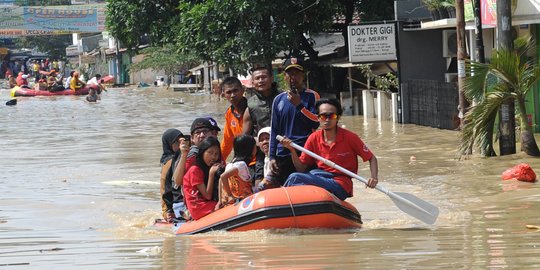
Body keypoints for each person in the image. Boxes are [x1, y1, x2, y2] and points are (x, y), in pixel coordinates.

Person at [280, 99, 379, 200]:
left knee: (295, 177)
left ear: (338, 118)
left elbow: (372, 158)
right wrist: (292, 150)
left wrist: (374, 178)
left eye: (332, 116)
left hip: (340, 183)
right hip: (319, 177)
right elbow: (301, 168)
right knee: (297, 177)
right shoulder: (313, 138)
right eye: (323, 116)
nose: (327, 120)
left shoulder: (350, 137)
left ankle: (281, 200)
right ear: (318, 118)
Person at [266, 57, 320, 187]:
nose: (293, 77)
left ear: (303, 75)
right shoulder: (278, 100)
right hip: (284, 153)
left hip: (305, 152)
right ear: (284, 76)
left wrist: (299, 106)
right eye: (290, 73)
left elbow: (316, 122)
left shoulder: (312, 96)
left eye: (296, 73)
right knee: (285, 190)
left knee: (306, 189)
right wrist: (272, 156)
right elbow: (274, 130)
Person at [172, 117, 221, 199]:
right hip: (197, 200)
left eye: (205, 131)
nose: (202, 135)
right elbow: (178, 181)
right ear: (192, 138)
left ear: (212, 134)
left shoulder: (216, 149)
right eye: (197, 133)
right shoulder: (191, 155)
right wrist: (184, 155)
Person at [182, 136, 222, 220]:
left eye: (216, 154)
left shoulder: (208, 167)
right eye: (210, 153)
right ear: (203, 152)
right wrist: (211, 174)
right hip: (198, 207)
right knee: (225, 206)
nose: (213, 157)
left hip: (206, 202)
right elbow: (207, 196)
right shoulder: (195, 170)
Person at [218, 135, 257, 206]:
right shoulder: (241, 165)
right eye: (255, 147)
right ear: (249, 149)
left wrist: (220, 201)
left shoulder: (229, 165)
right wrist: (229, 195)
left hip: (232, 203)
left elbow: (221, 180)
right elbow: (223, 176)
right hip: (243, 202)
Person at [159, 129, 185, 223]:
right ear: (169, 144)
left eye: (182, 140)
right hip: (175, 204)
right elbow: (164, 189)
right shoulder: (169, 162)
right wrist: (167, 211)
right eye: (176, 142)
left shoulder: (183, 156)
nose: (180, 144)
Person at [220, 76, 247, 161]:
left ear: (242, 90)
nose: (233, 95)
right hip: (240, 157)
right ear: (223, 95)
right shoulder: (229, 113)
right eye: (229, 92)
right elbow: (227, 142)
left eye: (235, 90)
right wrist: (219, 160)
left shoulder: (252, 108)